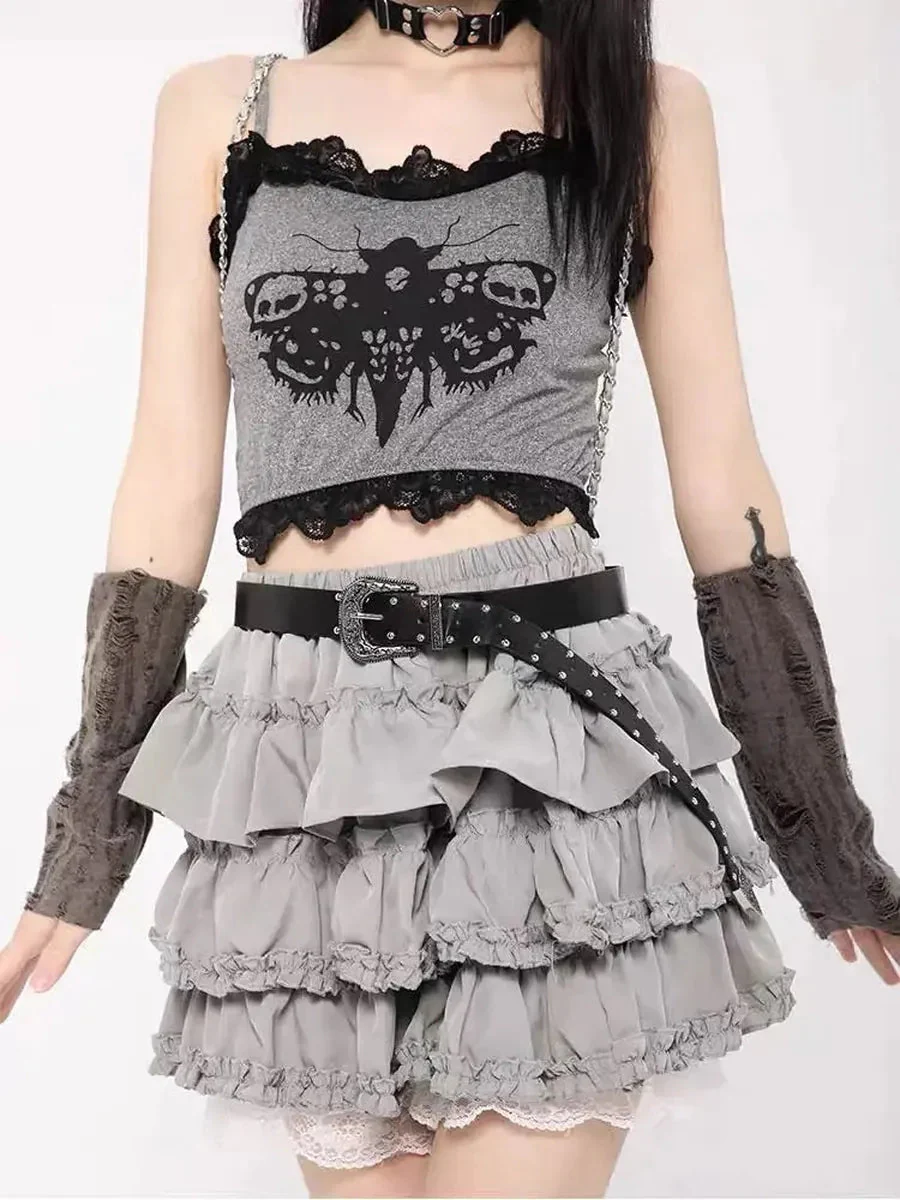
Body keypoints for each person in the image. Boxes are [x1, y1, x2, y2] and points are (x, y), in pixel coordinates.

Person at [2, 2, 899, 1197]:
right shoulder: (220, 110)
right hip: (301, 758)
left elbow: (723, 474)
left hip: (545, 741)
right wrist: (86, 843)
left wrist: (821, 825)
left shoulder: (642, 109)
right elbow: (166, 480)